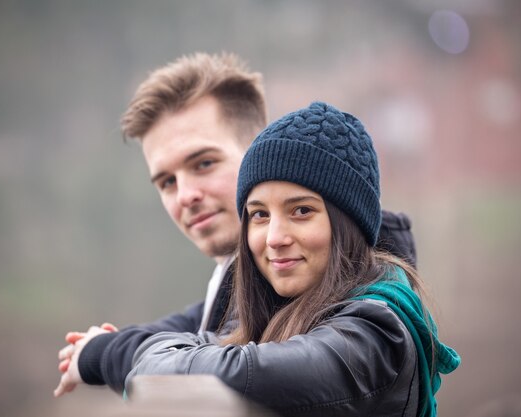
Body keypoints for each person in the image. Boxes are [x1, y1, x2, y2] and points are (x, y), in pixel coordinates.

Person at [54, 53, 418, 397]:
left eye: (204, 163)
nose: (185, 195)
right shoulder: (252, 294)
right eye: (167, 182)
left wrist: (111, 355)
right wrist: (105, 347)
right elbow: (193, 327)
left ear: (258, 150)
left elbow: (250, 372)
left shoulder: (364, 319)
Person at [124, 101, 460, 417]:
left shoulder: (377, 335)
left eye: (301, 211)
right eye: (259, 215)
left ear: (348, 223)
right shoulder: (274, 313)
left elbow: (248, 374)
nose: (274, 238)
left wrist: (144, 357)